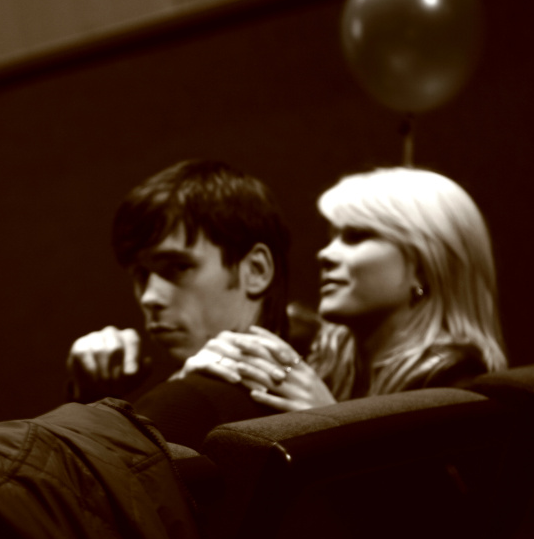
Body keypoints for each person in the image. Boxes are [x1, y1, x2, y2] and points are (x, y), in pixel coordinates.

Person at [142, 166, 506, 447]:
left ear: (425, 265)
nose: (325, 254)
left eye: (356, 237)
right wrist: (205, 368)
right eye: (332, 236)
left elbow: (436, 513)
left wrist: (327, 419)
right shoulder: (321, 349)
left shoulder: (455, 379)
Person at [65, 159, 292, 404]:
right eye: (141, 274)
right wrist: (92, 397)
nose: (149, 297)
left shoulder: (184, 407)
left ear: (256, 270)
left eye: (178, 267)